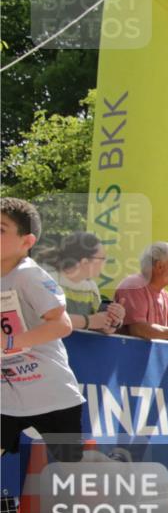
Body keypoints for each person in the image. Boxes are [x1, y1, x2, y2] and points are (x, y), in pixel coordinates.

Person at [1, 198, 85, 462]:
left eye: (1, 229)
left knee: (74, 474)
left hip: (52, 393)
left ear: (27, 242)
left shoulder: (29, 275)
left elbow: (63, 324)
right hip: (9, 396)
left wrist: (11, 341)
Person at [38, 230, 125, 334]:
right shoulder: (48, 278)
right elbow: (43, 319)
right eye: (102, 259)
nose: (105, 263)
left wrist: (114, 320)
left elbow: (102, 328)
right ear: (85, 262)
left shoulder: (91, 287)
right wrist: (89, 321)